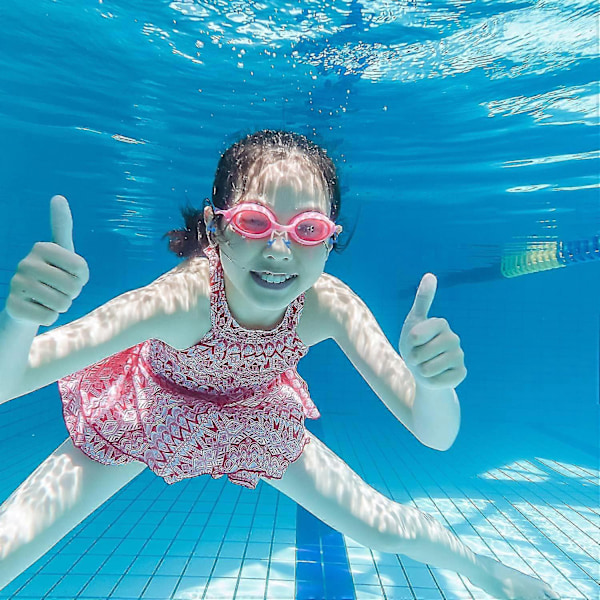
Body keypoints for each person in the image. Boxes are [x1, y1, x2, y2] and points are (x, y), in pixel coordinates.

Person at [0, 130, 559, 599]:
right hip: (149, 407)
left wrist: (434, 384)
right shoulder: (182, 300)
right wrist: (21, 321)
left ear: (329, 241)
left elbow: (435, 433)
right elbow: (12, 378)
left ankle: (490, 572)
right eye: (254, 223)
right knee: (11, 547)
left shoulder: (329, 305)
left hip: (254, 413)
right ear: (217, 227)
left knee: (381, 526)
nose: (280, 250)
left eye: (308, 230)